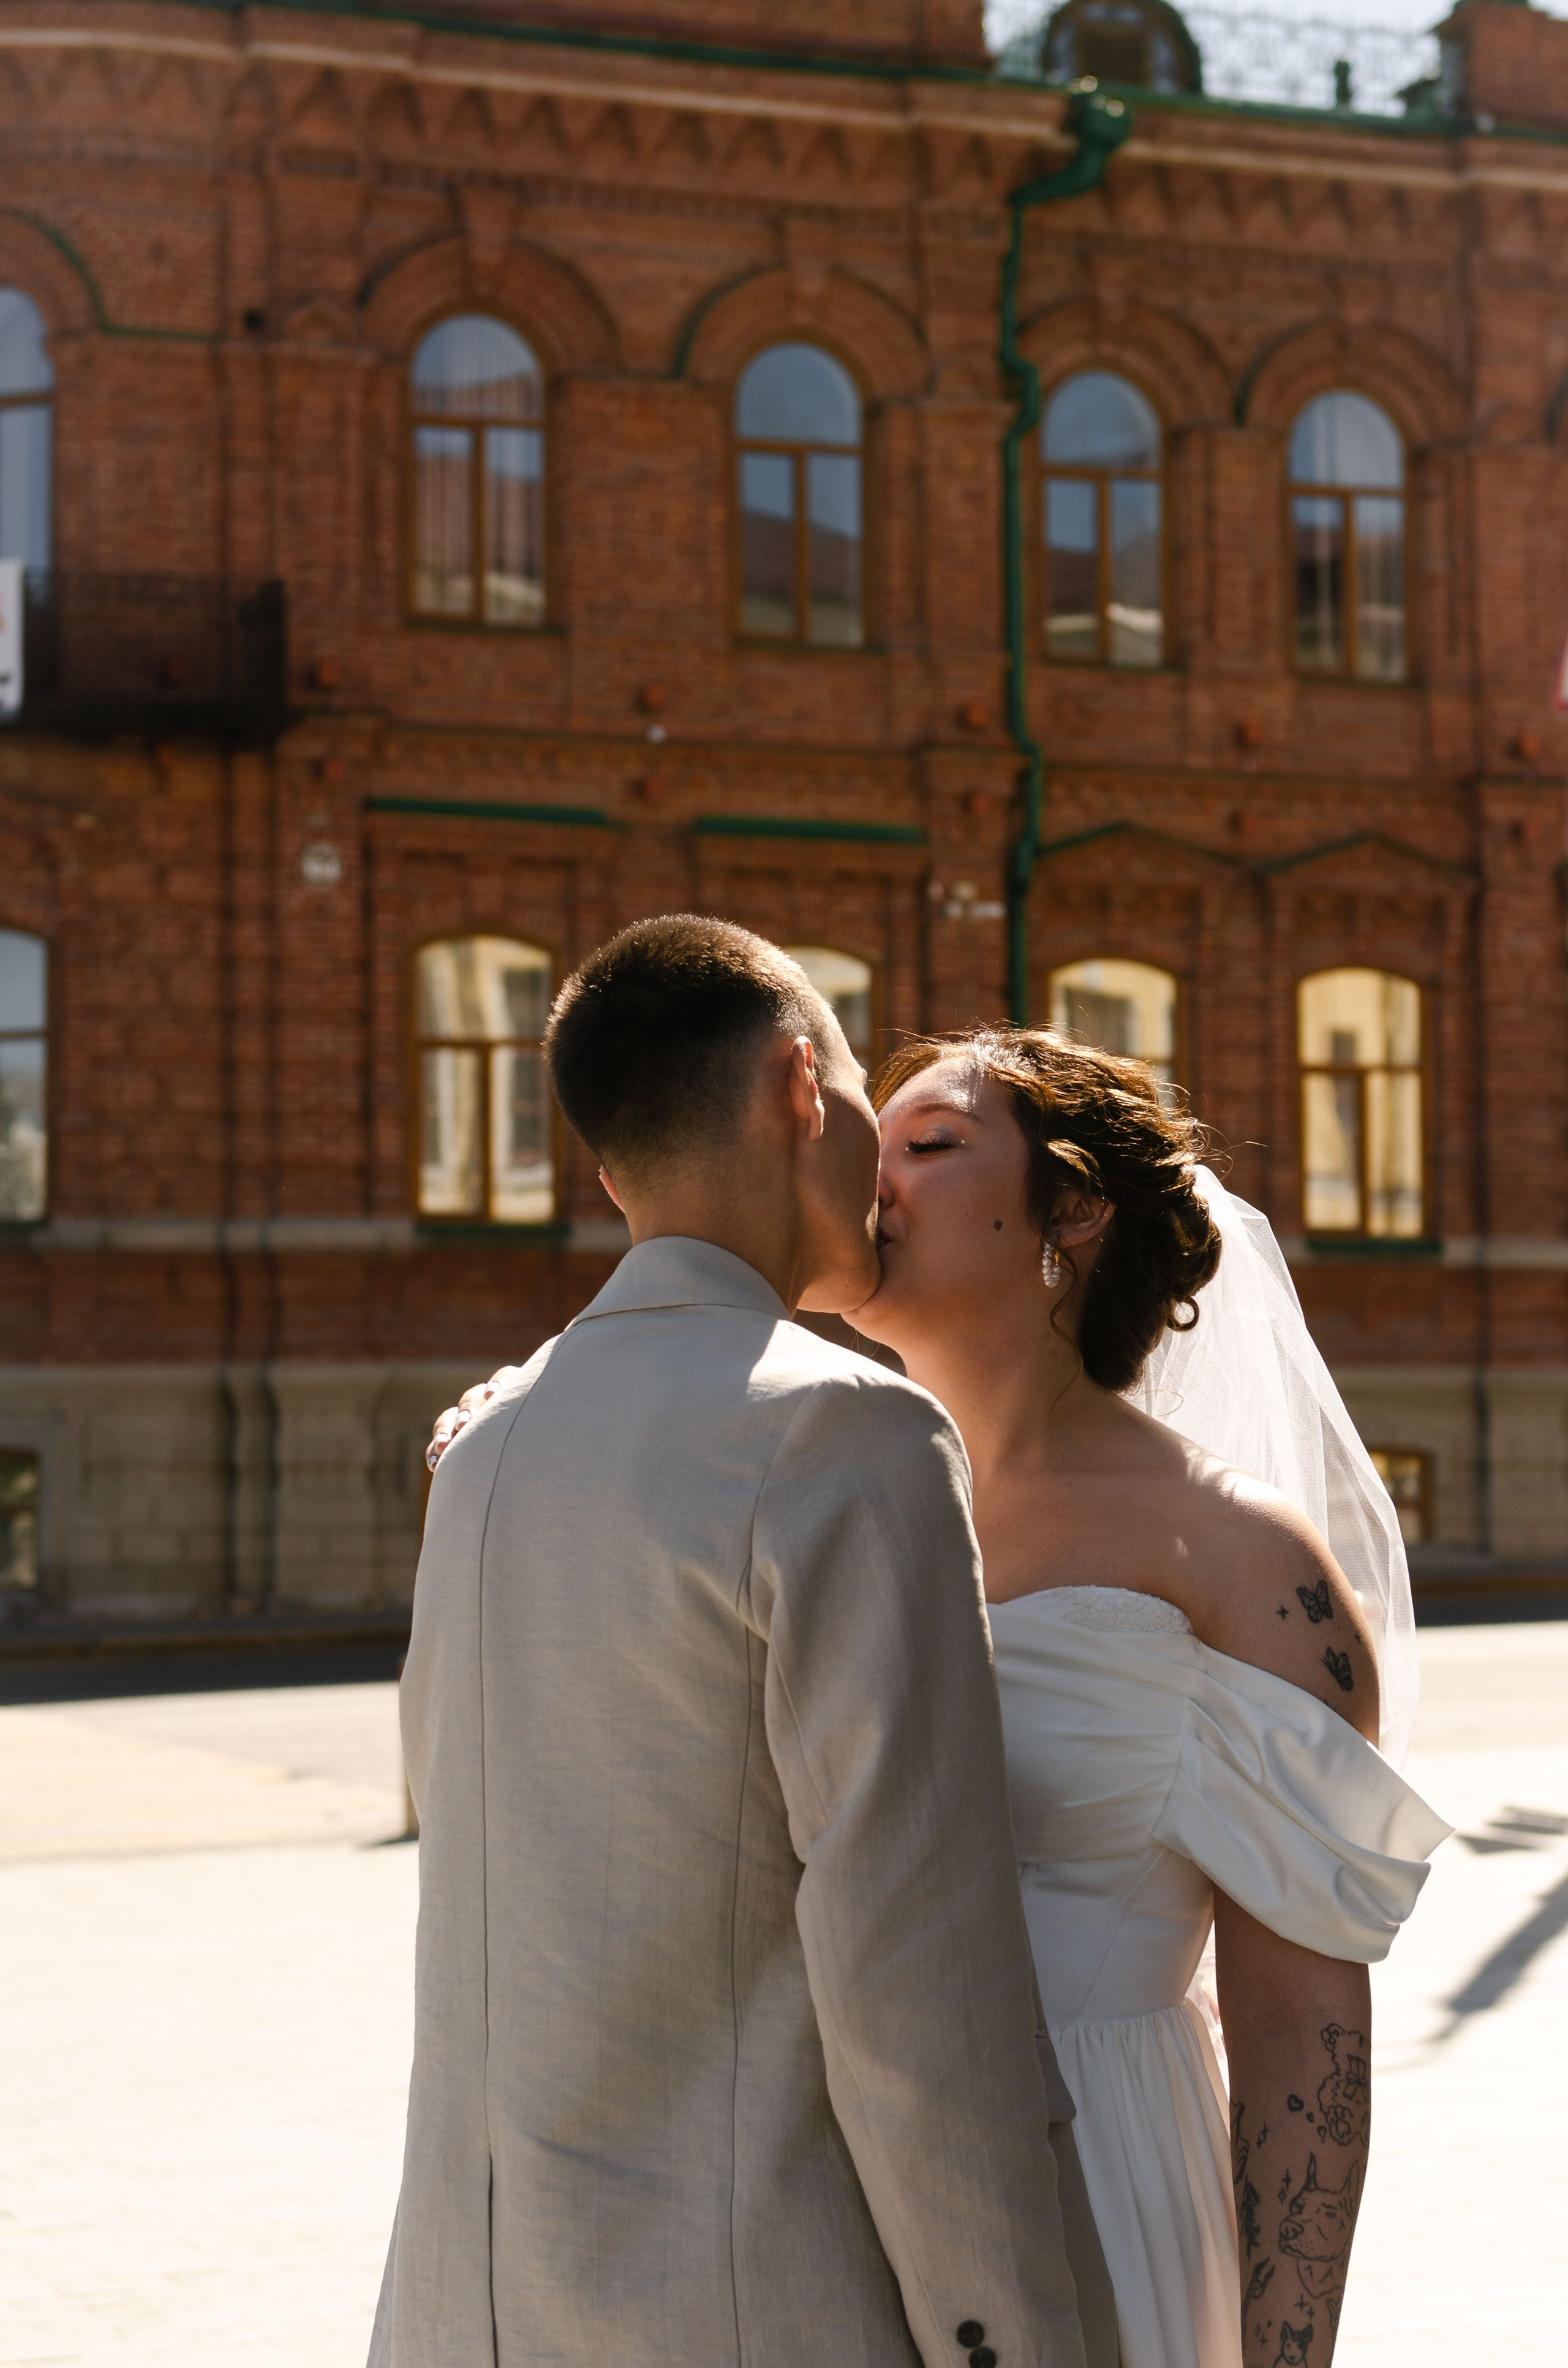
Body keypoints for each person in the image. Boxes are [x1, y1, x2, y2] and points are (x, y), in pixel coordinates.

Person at [372, 921, 1114, 2368]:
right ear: (794, 1085)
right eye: (861, 1094)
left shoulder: (486, 1446)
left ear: (611, 1171)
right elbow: (919, 1985)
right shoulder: (847, 1437)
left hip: (464, 2315)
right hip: (747, 2309)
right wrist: (1011, 2340)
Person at [846, 1029, 1450, 2368]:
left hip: (1101, 2178)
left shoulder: (1239, 1555)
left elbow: (1297, 2025)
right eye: (862, 1144)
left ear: (1071, 1211)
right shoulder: (822, 1488)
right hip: (830, 2191)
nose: (869, 1180)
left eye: (927, 1145)